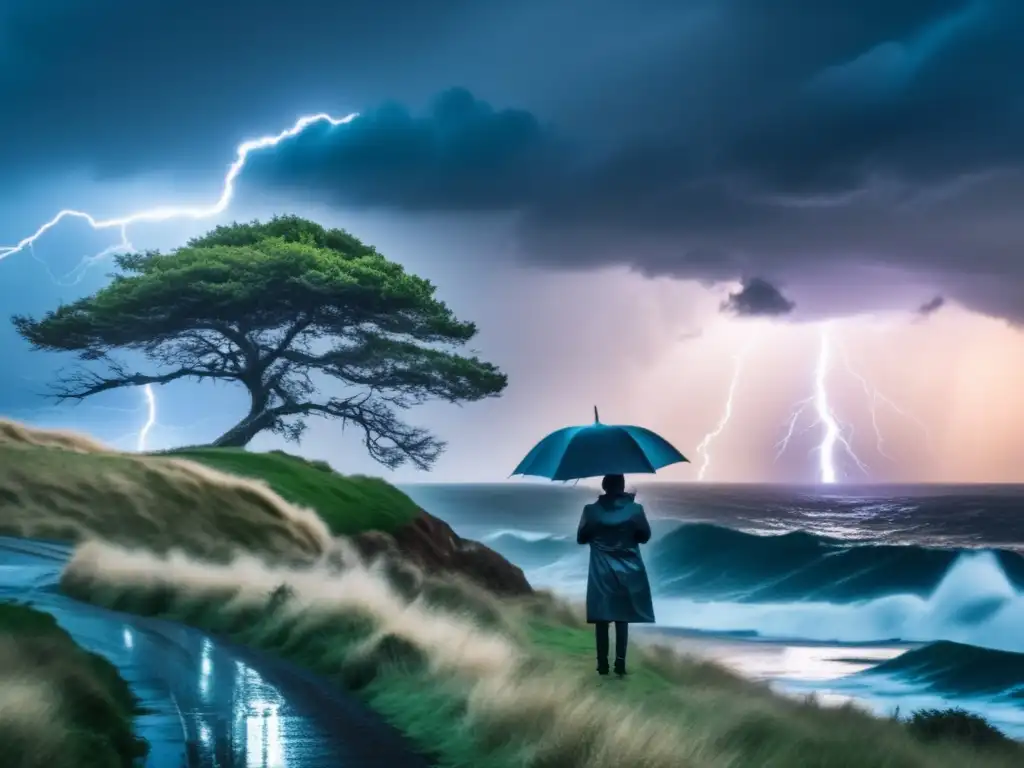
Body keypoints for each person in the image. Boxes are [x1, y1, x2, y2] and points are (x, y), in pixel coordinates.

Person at [576, 473, 655, 676]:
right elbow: (644, 536)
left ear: (604, 486)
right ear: (622, 486)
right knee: (622, 617)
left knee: (602, 618)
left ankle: (602, 665)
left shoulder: (591, 510)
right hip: (628, 567)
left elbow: (581, 538)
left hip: (601, 568)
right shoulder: (635, 509)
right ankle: (620, 664)